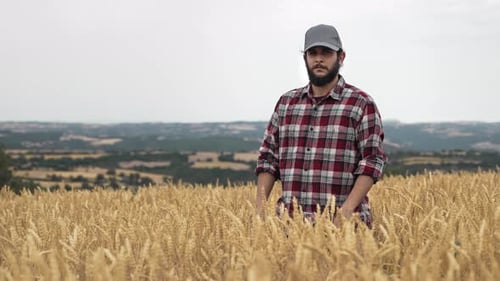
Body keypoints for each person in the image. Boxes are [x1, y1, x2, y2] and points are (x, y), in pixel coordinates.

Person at [255, 24, 387, 228]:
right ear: (305, 58)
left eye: (326, 53)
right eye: (313, 53)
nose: (318, 59)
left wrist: (345, 213)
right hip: (289, 230)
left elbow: (372, 161)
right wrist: (259, 213)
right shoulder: (286, 103)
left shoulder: (361, 103)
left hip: (345, 230)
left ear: (340, 57)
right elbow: (268, 159)